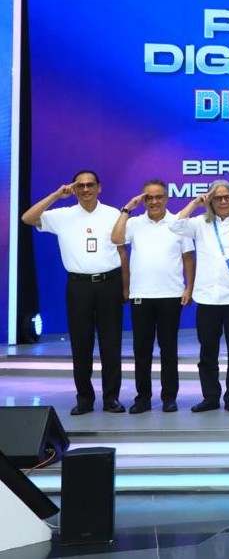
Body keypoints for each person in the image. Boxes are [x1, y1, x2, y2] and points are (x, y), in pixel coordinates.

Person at [22, 171, 127, 415]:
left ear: (99, 187)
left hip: (109, 284)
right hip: (79, 287)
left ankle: (111, 398)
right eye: (80, 186)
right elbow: (28, 218)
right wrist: (56, 195)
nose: (86, 189)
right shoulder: (62, 215)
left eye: (90, 185)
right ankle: (84, 399)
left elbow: (122, 252)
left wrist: (125, 287)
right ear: (74, 189)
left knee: (111, 344)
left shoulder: (113, 214)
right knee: (81, 344)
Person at [170, 180, 229, 413]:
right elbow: (174, 226)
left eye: (226, 197)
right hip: (207, 298)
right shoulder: (200, 223)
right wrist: (195, 203)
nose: (222, 201)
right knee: (207, 353)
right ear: (210, 200)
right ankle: (210, 397)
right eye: (217, 198)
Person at [111, 180, 196, 414]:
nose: (154, 201)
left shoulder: (178, 223)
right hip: (141, 294)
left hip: (171, 294)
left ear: (166, 198)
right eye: (149, 197)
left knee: (169, 350)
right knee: (142, 350)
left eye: (159, 197)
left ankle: (169, 397)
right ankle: (143, 398)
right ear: (143, 200)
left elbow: (188, 258)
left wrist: (189, 288)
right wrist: (127, 209)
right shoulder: (134, 223)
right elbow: (116, 239)